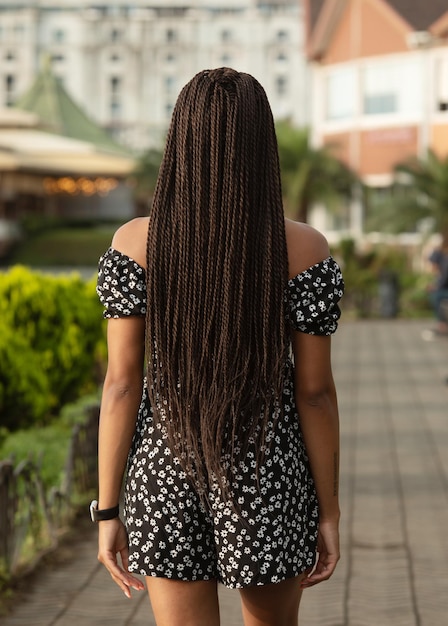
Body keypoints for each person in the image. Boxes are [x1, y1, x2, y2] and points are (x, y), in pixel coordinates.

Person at [94, 68, 344, 626]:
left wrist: (108, 509)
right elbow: (315, 394)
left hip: (165, 470)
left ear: (180, 141)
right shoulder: (303, 248)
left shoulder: (135, 242)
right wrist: (328, 511)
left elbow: (120, 385)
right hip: (268, 472)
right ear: (263, 145)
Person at [426, 233, 448, 337]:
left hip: (444, 289)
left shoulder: (445, 259)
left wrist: (436, 287)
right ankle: (442, 324)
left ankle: (442, 325)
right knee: (436, 295)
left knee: (437, 296)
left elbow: (445, 278)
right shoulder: (441, 255)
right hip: (443, 287)